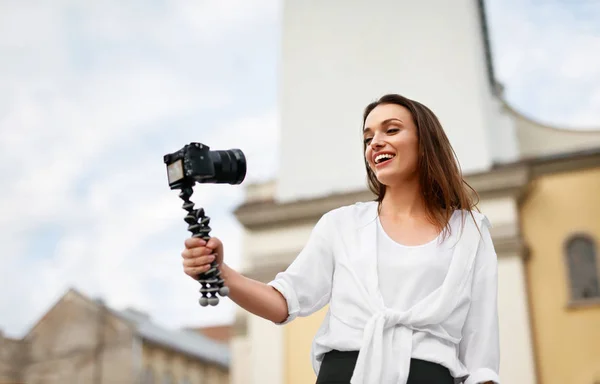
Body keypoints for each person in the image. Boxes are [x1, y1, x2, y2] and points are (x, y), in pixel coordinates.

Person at [181, 94, 500, 384]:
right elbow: (284, 301)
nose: (375, 142)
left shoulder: (469, 232)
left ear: (425, 142)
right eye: (367, 137)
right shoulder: (341, 225)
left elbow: (481, 350)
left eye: (391, 130)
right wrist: (221, 273)